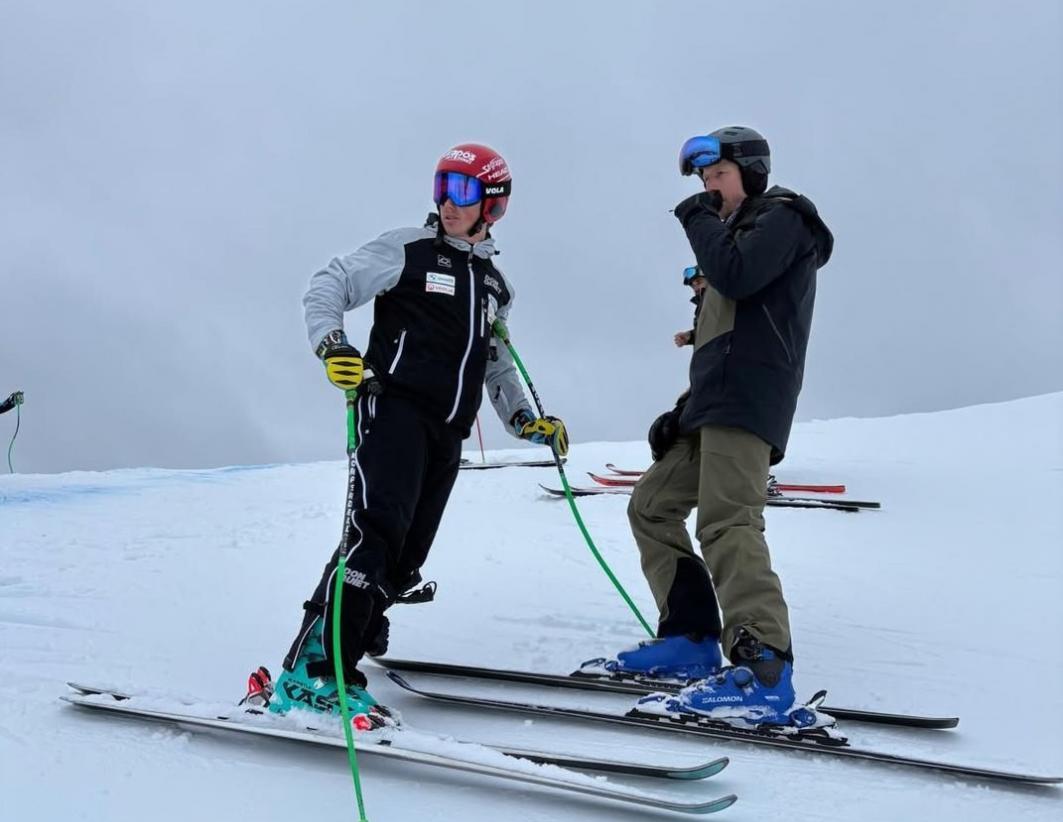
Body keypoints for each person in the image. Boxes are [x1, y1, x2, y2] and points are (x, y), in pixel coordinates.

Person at [268, 143, 568, 722]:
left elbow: (496, 361)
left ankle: (357, 630)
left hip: (448, 430)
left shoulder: (494, 285)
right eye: (442, 187)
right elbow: (329, 283)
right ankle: (315, 671)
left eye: (463, 191)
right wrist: (333, 345)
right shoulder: (407, 250)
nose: (447, 202)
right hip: (393, 412)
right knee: (374, 536)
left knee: (406, 558)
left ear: (493, 205)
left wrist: (524, 419)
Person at [600, 126, 833, 726]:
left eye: (719, 176)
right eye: (704, 179)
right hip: (713, 404)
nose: (709, 188)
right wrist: (682, 414)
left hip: (749, 401)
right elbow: (720, 343)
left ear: (752, 174)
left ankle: (764, 666)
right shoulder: (734, 238)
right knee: (651, 506)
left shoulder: (784, 219)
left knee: (728, 520)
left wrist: (695, 216)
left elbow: (738, 274)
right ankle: (691, 637)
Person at [673, 266, 707, 348]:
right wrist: (691, 336)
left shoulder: (724, 295)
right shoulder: (701, 309)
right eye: (692, 286)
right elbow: (712, 329)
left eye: (699, 282)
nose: (695, 288)